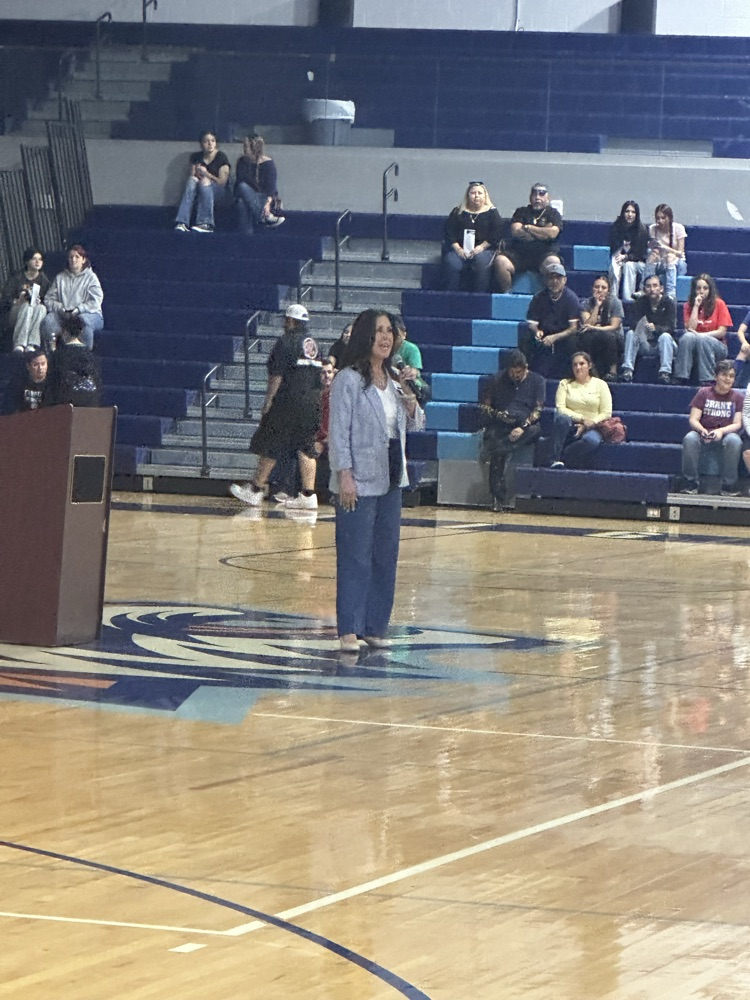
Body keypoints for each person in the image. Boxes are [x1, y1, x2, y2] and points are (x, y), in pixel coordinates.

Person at [328, 309, 425, 653]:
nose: (386, 337)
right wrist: (344, 476)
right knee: (355, 555)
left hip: (392, 477)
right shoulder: (348, 380)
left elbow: (416, 424)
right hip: (358, 477)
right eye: (379, 331)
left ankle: (375, 625)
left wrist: (410, 397)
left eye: (390, 331)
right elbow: (338, 433)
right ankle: (348, 628)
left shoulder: (396, 377)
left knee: (386, 554)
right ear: (366, 336)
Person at [230, 304, 322, 511]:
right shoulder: (314, 345)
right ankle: (308, 494)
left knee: (271, 443)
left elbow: (276, 375)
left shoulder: (286, 342)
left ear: (289, 321)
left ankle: (255, 489)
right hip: (312, 402)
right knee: (307, 447)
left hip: (288, 402)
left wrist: (268, 401)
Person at [479, 349, 545, 511]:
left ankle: (497, 447)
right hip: (501, 423)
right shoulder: (496, 380)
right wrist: (498, 415)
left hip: (525, 425)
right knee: (496, 441)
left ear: (526, 368)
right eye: (512, 372)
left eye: (519, 372)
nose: (515, 376)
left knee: (535, 430)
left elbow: (538, 410)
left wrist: (523, 427)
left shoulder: (538, 381)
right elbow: (484, 406)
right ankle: (498, 496)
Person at [681, 359, 742, 496]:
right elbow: (693, 419)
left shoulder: (738, 397)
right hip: (703, 432)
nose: (728, 379)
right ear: (716, 377)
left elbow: (737, 424)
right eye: (724, 375)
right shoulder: (704, 393)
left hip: (725, 434)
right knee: (689, 438)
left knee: (734, 440)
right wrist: (702, 430)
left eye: (731, 376)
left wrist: (720, 431)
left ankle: (728, 485)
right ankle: (691, 482)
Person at [494, 183, 563, 293]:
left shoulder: (553, 214)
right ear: (530, 197)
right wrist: (542, 232)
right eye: (534, 194)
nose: (537, 197)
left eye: (541, 194)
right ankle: (507, 294)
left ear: (547, 198)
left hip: (544, 255)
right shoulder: (521, 212)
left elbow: (552, 233)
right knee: (500, 261)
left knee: (554, 262)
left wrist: (528, 227)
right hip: (519, 255)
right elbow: (516, 231)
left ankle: (547, 297)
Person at [550, 351, 612, 469]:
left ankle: (565, 455)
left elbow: (606, 412)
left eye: (582, 364)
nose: (578, 367)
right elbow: (561, 408)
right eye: (575, 365)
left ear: (589, 365)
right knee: (562, 418)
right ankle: (555, 458)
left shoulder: (601, 385)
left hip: (593, 426)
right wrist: (582, 419)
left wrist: (589, 424)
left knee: (591, 441)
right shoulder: (564, 384)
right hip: (570, 424)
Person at [39, 245, 104, 351]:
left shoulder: (91, 278)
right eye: (71, 257)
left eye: (77, 257)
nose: (74, 260)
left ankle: (85, 355)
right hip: (63, 314)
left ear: (83, 259)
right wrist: (60, 308)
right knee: (48, 321)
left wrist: (79, 309)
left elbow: (96, 301)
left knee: (83, 321)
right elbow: (48, 299)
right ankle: (50, 354)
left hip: (90, 314)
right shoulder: (60, 278)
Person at [441, 182, 503, 293]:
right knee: (452, 262)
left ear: (485, 196)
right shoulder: (458, 212)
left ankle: (479, 296)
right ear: (468, 195)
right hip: (459, 249)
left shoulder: (492, 213)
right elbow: (449, 233)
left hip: (484, 249)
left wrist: (481, 248)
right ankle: (451, 296)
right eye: (473, 193)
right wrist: (458, 249)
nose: (476, 196)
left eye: (479, 193)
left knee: (481, 262)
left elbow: (496, 234)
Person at [673, 274, 733, 386]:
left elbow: (722, 332)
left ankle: (707, 379)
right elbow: (690, 329)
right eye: (698, 288)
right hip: (695, 342)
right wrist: (696, 306)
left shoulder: (719, 304)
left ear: (710, 290)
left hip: (717, 346)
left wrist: (703, 335)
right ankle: (681, 376)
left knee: (703, 339)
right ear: (694, 290)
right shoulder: (688, 305)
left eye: (705, 288)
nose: (701, 291)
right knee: (687, 337)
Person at [620, 273, 677, 384]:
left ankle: (665, 373)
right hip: (645, 342)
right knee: (631, 334)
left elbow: (671, 328)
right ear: (644, 289)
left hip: (664, 344)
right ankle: (627, 370)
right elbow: (633, 323)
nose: (652, 289)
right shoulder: (639, 303)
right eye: (648, 286)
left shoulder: (669, 303)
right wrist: (643, 327)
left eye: (655, 286)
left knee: (665, 336)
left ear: (661, 288)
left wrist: (656, 328)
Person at [519, 263, 580, 362]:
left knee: (573, 341)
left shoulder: (571, 299)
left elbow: (573, 328)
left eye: (558, 278)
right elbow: (532, 324)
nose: (554, 281)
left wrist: (555, 337)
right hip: (545, 333)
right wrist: (537, 331)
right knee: (525, 339)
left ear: (564, 280)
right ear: (545, 280)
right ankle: (527, 370)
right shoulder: (538, 298)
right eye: (551, 278)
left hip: (563, 335)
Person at [174, 130, 232, 234]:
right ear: (201, 144)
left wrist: (206, 174)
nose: (210, 144)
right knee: (192, 180)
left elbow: (222, 182)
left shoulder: (221, 157)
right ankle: (182, 222)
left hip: (218, 192)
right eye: (206, 141)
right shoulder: (196, 157)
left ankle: (206, 223)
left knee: (204, 181)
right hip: (199, 189)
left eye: (213, 141)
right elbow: (193, 176)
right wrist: (196, 173)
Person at [45, 314, 102, 407]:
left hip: (65, 405)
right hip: (89, 404)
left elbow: (52, 385)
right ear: (81, 331)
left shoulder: (58, 355)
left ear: (64, 332)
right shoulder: (91, 356)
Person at [1, 248, 50, 353]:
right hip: (15, 312)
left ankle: (32, 343)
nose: (37, 262)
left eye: (40, 259)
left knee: (41, 308)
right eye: (34, 259)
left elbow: (48, 299)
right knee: (26, 306)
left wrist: (39, 301)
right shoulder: (17, 277)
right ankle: (20, 343)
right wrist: (17, 301)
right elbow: (5, 298)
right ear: (27, 261)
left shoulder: (44, 280)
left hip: (34, 311)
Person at [234, 133, 284, 235]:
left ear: (253, 148)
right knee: (241, 195)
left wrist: (267, 204)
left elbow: (271, 189)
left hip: (263, 198)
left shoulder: (268, 164)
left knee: (242, 202)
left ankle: (247, 237)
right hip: (247, 195)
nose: (243, 149)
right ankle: (263, 218)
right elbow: (239, 183)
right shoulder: (241, 162)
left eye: (246, 146)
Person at [577, 274, 624, 383]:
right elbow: (587, 323)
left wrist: (595, 328)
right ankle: (592, 371)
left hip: (614, 337)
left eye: (603, 288)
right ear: (592, 289)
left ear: (608, 290)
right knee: (584, 337)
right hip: (594, 336)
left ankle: (613, 371)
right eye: (597, 287)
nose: (600, 290)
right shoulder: (586, 303)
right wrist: (597, 306)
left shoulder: (615, 303)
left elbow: (614, 326)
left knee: (608, 336)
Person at [642, 203, 687, 300]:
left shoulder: (679, 228)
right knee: (653, 255)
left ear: (669, 218)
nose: (660, 221)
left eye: (663, 218)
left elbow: (679, 253)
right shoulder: (653, 229)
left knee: (670, 257)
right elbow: (655, 250)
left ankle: (671, 293)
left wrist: (665, 248)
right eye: (658, 218)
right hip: (661, 262)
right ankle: (644, 288)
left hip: (677, 263)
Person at [608, 200, 648, 303]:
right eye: (627, 211)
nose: (630, 215)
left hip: (636, 261)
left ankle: (628, 300)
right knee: (614, 266)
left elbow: (641, 254)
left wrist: (627, 257)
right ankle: (613, 298)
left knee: (629, 266)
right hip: (619, 257)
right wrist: (620, 257)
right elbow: (614, 248)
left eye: (633, 212)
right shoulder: (616, 228)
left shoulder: (642, 230)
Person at [393, 317, 430, 405]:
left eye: (397, 336)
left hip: (408, 381)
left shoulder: (411, 349)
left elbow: (415, 370)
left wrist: (409, 372)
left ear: (404, 335)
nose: (394, 339)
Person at [1, 348, 50, 414]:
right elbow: (9, 408)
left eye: (43, 364)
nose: (40, 368)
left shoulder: (55, 384)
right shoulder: (17, 384)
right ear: (28, 366)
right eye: (35, 365)